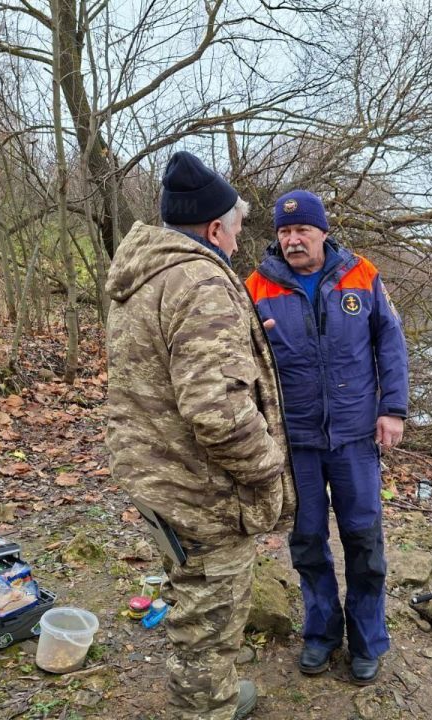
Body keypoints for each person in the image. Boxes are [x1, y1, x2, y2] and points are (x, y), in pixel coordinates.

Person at [105, 151, 296, 720]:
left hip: (156, 473)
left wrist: (239, 339)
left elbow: (163, 366)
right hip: (201, 488)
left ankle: (208, 696)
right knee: (211, 615)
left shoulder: (144, 273)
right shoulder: (201, 279)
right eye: (236, 229)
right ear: (215, 227)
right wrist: (267, 471)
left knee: (192, 594)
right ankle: (206, 708)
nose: (239, 241)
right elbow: (217, 413)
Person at [246, 190, 409, 685]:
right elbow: (242, 365)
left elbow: (391, 342)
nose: (294, 240)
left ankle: (367, 640)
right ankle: (320, 634)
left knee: (364, 542)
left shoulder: (361, 275)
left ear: (322, 232)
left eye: (303, 231)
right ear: (277, 237)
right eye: (284, 232)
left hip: (356, 436)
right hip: (295, 443)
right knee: (308, 542)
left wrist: (393, 409)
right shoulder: (255, 287)